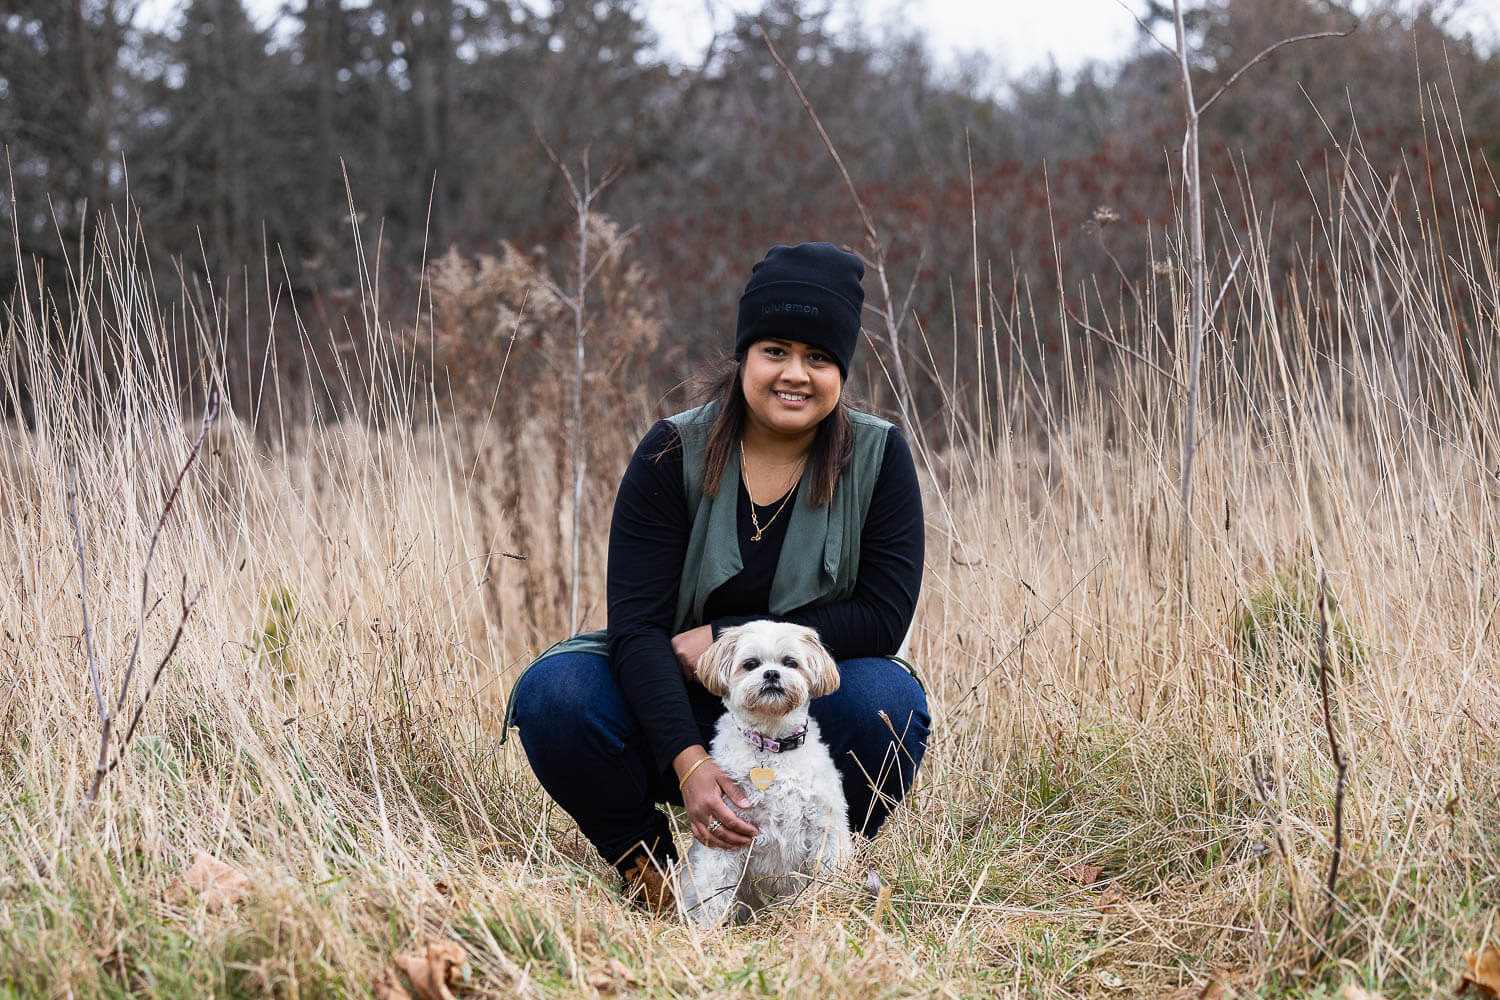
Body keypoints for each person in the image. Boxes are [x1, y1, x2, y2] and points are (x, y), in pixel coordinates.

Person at [506, 242, 929, 913]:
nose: (796, 374)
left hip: (801, 711)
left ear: (842, 371)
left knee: (887, 701)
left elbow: (883, 615)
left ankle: (814, 881)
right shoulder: (671, 449)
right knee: (556, 695)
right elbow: (641, 630)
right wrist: (691, 762)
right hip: (672, 696)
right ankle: (651, 872)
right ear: (744, 357)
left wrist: (730, 635)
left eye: (819, 357)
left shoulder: (879, 456)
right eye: (776, 351)